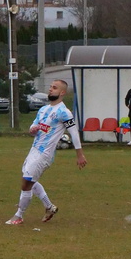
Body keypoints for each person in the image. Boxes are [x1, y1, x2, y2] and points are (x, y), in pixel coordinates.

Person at [8, 78, 87, 226]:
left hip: (45, 154)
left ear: (62, 92)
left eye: (54, 87)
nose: (50, 89)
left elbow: (74, 133)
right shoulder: (43, 109)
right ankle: (49, 207)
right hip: (34, 150)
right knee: (30, 181)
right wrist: (33, 129)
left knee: (26, 184)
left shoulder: (64, 112)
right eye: (50, 87)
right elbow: (33, 126)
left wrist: (80, 154)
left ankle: (18, 216)